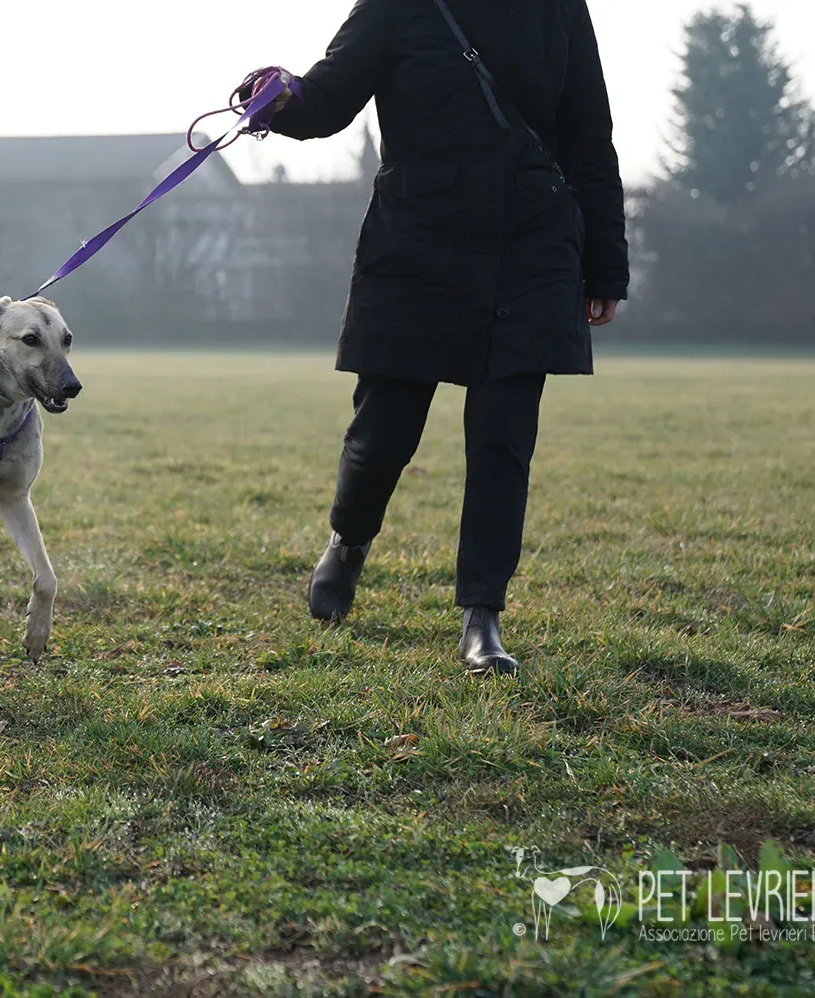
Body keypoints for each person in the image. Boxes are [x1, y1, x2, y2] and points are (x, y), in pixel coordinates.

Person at [246, 0, 627, 675]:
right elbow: (330, 98)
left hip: (530, 242)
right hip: (419, 245)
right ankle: (349, 538)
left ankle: (482, 615)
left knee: (503, 438)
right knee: (384, 430)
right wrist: (277, 99)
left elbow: (587, 132)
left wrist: (604, 265)